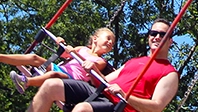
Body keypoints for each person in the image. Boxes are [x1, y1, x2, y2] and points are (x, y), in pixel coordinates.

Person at [27, 19, 179, 112]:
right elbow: (104, 81)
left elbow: (157, 107)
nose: (157, 37)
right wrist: (93, 70)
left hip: (120, 106)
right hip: (101, 94)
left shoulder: (169, 73)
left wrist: (126, 97)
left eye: (163, 34)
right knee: (51, 85)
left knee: (82, 109)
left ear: (170, 41)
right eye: (153, 33)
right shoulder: (134, 61)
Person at [0, 28, 116, 94]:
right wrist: (61, 43)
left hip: (73, 79)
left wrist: (74, 53)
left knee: (54, 76)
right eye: (108, 38)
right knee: (35, 58)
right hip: (61, 68)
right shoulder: (82, 48)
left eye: (112, 42)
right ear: (95, 39)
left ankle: (26, 82)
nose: (110, 42)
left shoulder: (101, 60)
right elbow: (64, 55)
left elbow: (91, 65)